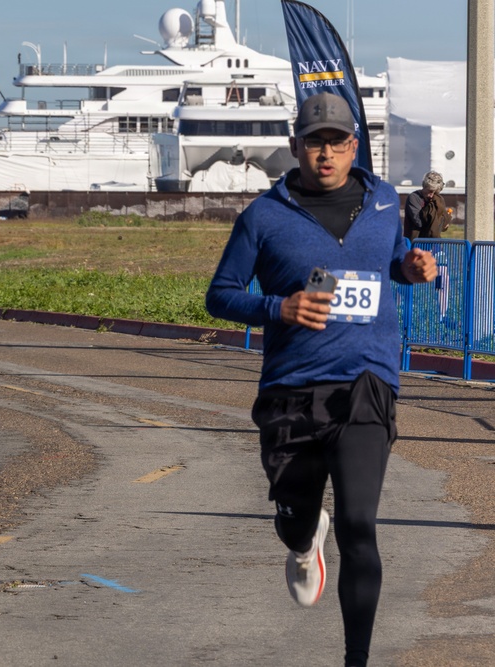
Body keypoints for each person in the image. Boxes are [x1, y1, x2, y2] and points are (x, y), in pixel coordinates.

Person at [205, 92, 437, 667]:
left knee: (360, 523)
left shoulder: (384, 201)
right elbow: (220, 295)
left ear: (354, 146)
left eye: (336, 142)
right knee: (295, 521)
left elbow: (392, 258)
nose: (326, 153)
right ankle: (305, 538)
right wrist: (278, 308)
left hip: (366, 382)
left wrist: (410, 268)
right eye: (315, 143)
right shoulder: (263, 216)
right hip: (292, 389)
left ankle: (356, 659)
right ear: (296, 147)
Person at [403, 171, 452, 240]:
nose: (431, 195)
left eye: (435, 192)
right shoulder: (414, 197)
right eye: (430, 191)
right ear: (424, 186)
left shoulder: (438, 199)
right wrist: (431, 209)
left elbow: (443, 226)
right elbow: (419, 222)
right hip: (415, 242)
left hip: (434, 242)